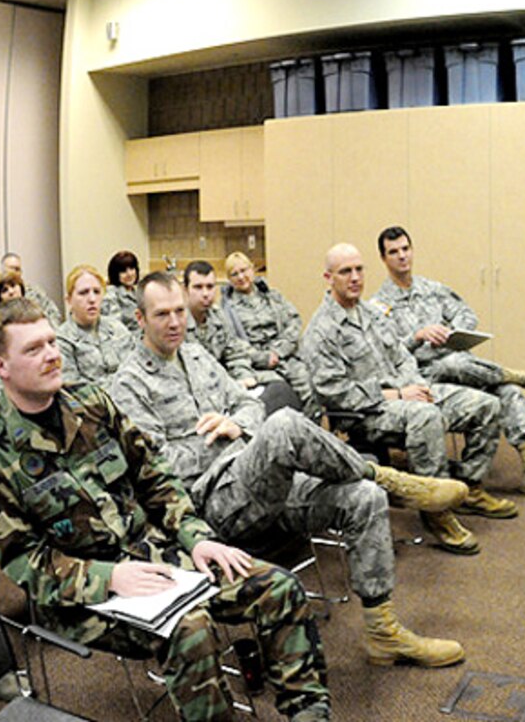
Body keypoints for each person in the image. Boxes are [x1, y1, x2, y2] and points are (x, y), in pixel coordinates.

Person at [0, 298, 332, 722]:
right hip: (83, 596)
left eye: (51, 342)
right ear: (0, 366)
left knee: (278, 588)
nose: (51, 355)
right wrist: (110, 577)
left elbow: (155, 476)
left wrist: (197, 536)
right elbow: (24, 561)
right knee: (191, 629)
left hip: (156, 557)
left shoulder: (91, 403)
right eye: (33, 349)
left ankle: (308, 714)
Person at [111, 271, 467, 668]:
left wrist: (237, 425)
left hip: (259, 481)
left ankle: (383, 631)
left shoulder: (196, 356)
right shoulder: (128, 384)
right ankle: (387, 476)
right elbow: (155, 467)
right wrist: (228, 438)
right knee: (283, 425)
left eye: (180, 311)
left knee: (363, 497)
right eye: (162, 314)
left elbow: (248, 405)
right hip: (210, 505)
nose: (176, 322)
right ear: (140, 319)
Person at [302, 243, 511, 555]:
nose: (355, 277)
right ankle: (437, 511)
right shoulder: (321, 330)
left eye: (359, 269)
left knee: (486, 406)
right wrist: (399, 394)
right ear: (328, 277)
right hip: (367, 413)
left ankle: (469, 489)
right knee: (426, 418)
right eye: (346, 271)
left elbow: (402, 357)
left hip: (408, 394)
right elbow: (334, 392)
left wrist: (415, 387)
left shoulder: (371, 313)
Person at [371, 226, 525, 504]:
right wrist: (417, 336)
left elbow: (466, 314)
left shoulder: (432, 290)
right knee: (453, 362)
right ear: (384, 258)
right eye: (394, 252)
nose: (402, 256)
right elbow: (386, 356)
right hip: (423, 376)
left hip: (463, 366)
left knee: (507, 392)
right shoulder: (378, 307)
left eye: (406, 249)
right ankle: (513, 374)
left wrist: (453, 333)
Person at [183, 260, 301, 416]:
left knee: (280, 388)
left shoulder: (217, 316)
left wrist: (244, 377)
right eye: (198, 287)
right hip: (193, 393)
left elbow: (234, 353)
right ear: (185, 290)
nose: (205, 294)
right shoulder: (176, 324)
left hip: (226, 381)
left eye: (210, 287)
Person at [220, 252, 316, 414]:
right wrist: (263, 357)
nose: (241, 277)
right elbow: (232, 344)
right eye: (234, 274)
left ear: (253, 269)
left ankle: (309, 431)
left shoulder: (272, 297)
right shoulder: (226, 310)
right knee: (278, 398)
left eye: (244, 270)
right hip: (256, 365)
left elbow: (294, 322)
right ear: (229, 279)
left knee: (309, 388)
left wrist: (279, 351)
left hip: (284, 356)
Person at [56, 264, 134, 389]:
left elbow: (137, 370)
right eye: (83, 293)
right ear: (69, 300)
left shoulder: (117, 329)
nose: (92, 299)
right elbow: (75, 390)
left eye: (97, 292)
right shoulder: (62, 340)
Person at [0, 252, 60, 324]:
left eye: (17, 269)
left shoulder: (36, 294)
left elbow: (54, 314)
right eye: (11, 269)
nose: (14, 273)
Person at [102, 250, 142, 334]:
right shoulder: (111, 294)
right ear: (115, 274)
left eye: (132, 268)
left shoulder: (136, 291)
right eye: (123, 271)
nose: (129, 274)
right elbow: (114, 327)